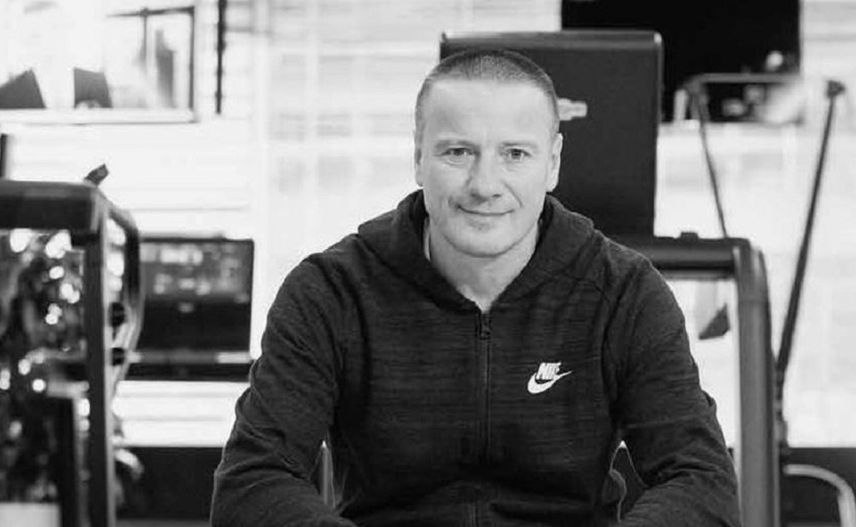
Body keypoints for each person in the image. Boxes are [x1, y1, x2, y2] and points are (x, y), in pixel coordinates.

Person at [211, 49, 739, 526]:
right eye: (458, 152)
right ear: (418, 157)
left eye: (515, 154)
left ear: (553, 163)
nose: (485, 185)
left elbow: (701, 481)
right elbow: (252, 483)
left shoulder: (624, 293)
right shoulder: (331, 292)